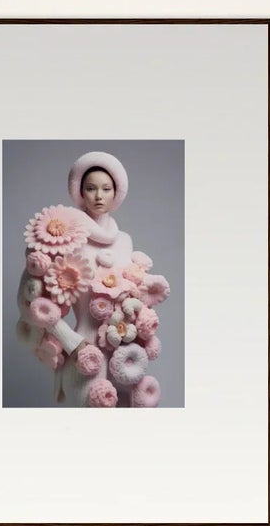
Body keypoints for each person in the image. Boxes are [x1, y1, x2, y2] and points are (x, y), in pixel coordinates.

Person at [16, 150, 168, 408]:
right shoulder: (67, 239)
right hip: (85, 351)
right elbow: (29, 301)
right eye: (91, 188)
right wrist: (71, 343)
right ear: (79, 192)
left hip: (125, 349)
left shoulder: (125, 241)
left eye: (106, 189)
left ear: (116, 193)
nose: (99, 196)